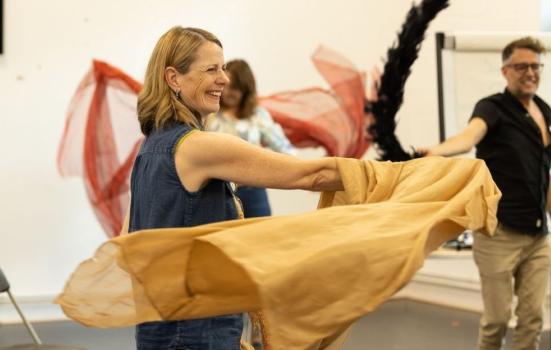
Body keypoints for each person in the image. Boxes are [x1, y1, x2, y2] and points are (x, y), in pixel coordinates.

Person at [123, 26, 343, 350]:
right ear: (174, 78)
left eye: (222, 67)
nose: (224, 79)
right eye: (211, 69)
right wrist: (398, 173)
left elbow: (129, 237)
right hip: (195, 333)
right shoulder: (198, 147)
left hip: (162, 328)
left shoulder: (149, 147)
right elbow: (311, 176)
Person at [419, 37, 551, 350]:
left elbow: (543, 174)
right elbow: (468, 138)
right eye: (521, 66)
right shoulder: (491, 108)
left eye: (535, 66)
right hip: (498, 234)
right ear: (505, 71)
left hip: (538, 236)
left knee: (533, 319)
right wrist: (436, 151)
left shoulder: (545, 110)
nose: (530, 72)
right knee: (497, 320)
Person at [207, 59, 296, 218]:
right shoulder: (210, 114)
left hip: (254, 191)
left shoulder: (258, 116)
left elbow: (284, 148)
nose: (227, 92)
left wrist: (307, 173)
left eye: (234, 88)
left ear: (246, 89)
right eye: (225, 86)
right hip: (219, 192)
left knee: (261, 239)